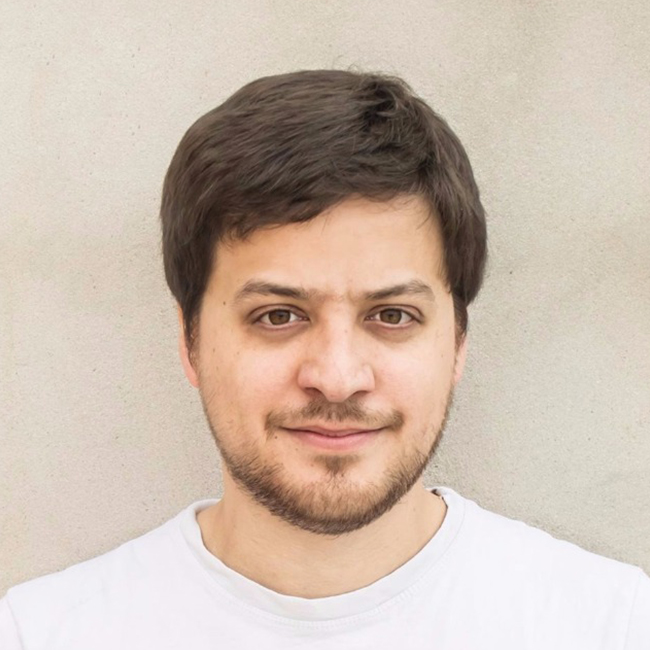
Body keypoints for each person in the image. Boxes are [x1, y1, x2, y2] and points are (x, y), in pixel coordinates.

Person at [1, 69, 648, 649]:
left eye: (392, 315)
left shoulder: (611, 627)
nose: (337, 378)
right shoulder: (41, 633)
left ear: (457, 342)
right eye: (278, 316)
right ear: (189, 340)